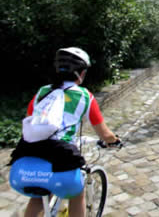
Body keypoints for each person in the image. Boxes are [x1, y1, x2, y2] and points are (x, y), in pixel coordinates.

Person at [9, 47, 122, 217]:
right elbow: (105, 134)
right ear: (81, 73)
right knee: (77, 194)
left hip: (24, 163)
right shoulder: (85, 96)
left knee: (39, 198)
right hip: (62, 161)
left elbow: (29, 120)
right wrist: (114, 141)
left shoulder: (42, 92)